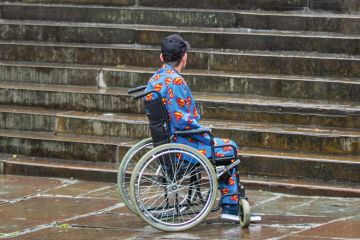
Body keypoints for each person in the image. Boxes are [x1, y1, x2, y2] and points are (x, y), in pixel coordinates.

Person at [145, 34, 240, 221]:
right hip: (183, 146)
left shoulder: (154, 80)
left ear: (162, 57)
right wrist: (204, 134)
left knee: (221, 147)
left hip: (168, 143)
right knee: (229, 147)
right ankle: (231, 206)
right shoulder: (176, 81)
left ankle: (230, 202)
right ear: (184, 56)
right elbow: (183, 122)